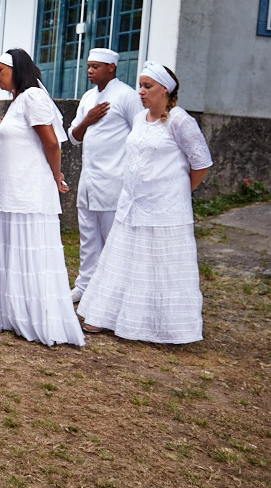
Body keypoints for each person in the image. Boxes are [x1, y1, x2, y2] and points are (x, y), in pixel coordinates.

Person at [78, 63, 212, 343]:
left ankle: (162, 326)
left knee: (159, 267)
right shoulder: (140, 119)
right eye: (140, 85)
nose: (141, 92)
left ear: (165, 89)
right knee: (123, 262)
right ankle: (106, 316)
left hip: (166, 209)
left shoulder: (180, 120)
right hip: (131, 204)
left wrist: (177, 193)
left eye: (147, 86)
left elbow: (201, 164)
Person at [0, 48, 85, 347]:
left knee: (29, 252)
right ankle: (9, 313)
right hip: (11, 192)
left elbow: (51, 142)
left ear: (17, 70)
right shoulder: (17, 101)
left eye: (1, 70)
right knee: (10, 251)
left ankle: (36, 316)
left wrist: (56, 176)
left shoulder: (33, 97)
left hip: (29, 191)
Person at [67, 48, 143, 303]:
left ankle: (113, 293)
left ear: (111, 67)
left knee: (113, 240)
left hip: (114, 182)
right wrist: (87, 120)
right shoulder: (88, 98)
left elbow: (141, 134)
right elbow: (74, 138)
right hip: (88, 182)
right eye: (88, 66)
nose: (89, 71)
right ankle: (84, 286)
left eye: (95, 67)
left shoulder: (127, 96)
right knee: (88, 238)